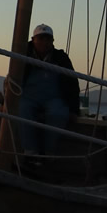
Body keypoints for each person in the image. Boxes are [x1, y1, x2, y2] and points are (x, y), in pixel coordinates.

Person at [18, 23, 80, 157]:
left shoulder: (61, 58)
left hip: (54, 98)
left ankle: (48, 154)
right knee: (22, 110)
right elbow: (12, 80)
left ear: (52, 41)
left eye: (48, 39)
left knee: (57, 114)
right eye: (40, 38)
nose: (44, 42)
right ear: (33, 39)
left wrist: (74, 110)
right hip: (28, 97)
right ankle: (30, 153)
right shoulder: (22, 55)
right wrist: (6, 103)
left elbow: (72, 83)